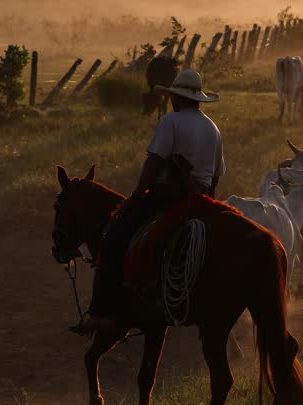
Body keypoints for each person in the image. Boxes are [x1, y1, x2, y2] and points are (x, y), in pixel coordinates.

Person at [70, 69, 225, 335]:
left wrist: (137, 194)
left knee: (113, 236)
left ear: (177, 98)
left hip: (170, 197)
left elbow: (154, 162)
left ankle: (101, 313)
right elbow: (216, 175)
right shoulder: (213, 128)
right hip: (202, 200)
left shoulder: (171, 121)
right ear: (198, 100)